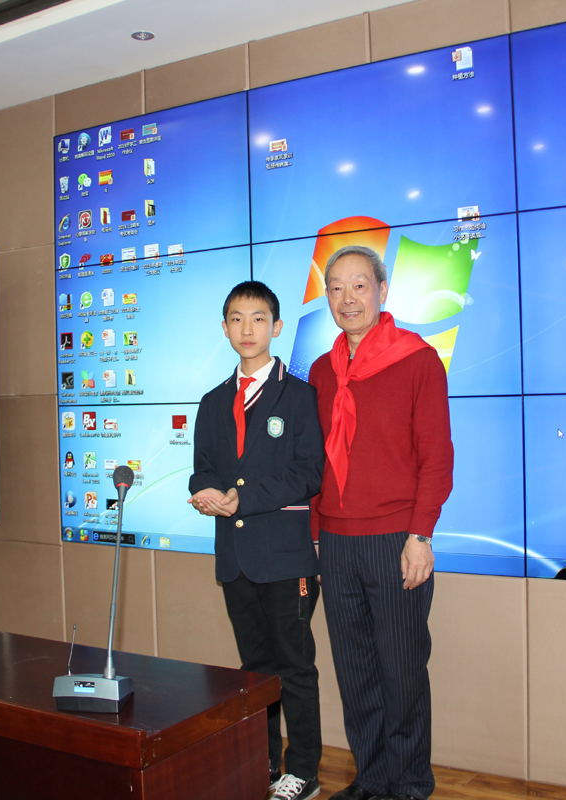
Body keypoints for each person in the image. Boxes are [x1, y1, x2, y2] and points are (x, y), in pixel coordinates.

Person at [309, 245, 454, 800]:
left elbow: (436, 457)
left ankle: (410, 785)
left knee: (402, 672)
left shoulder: (418, 360)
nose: (348, 298)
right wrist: (315, 536)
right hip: (336, 543)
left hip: (396, 541)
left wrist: (421, 535)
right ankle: (371, 781)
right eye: (336, 288)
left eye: (359, 285)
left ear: (382, 291)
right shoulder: (321, 371)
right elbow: (316, 463)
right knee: (356, 673)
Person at [188, 280, 326, 800]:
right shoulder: (212, 401)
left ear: (277, 327)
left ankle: (304, 770)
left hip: (285, 560)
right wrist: (205, 492)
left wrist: (240, 498)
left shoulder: (299, 396)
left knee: (295, 668)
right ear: (224, 329)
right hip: (236, 558)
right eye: (237, 319)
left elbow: (308, 474)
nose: (247, 329)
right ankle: (264, 764)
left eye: (259, 318)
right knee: (255, 671)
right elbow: (202, 468)